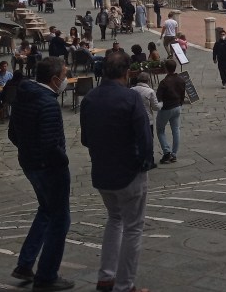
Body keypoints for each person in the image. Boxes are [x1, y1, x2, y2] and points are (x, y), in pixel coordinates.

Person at [80, 52, 154, 292]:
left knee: (114, 220)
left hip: (102, 172)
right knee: (133, 228)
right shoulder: (131, 99)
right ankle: (124, 285)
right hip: (129, 172)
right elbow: (145, 137)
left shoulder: (89, 99)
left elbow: (85, 139)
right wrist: (143, 163)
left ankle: (106, 277)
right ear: (126, 73)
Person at [7, 56, 74, 291]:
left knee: (46, 210)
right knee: (60, 218)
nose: (65, 80)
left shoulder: (23, 96)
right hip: (50, 169)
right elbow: (50, 145)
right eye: (64, 76)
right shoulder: (47, 103)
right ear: (55, 79)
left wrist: (29, 151)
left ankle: (25, 263)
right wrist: (63, 160)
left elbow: (12, 134)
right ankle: (47, 276)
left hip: (29, 164)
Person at [156, 58, 186, 164]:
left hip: (166, 108)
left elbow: (158, 96)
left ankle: (166, 151)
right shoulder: (181, 80)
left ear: (165, 69)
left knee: (160, 130)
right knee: (176, 130)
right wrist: (180, 103)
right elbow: (183, 93)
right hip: (177, 106)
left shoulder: (164, 82)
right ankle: (174, 154)